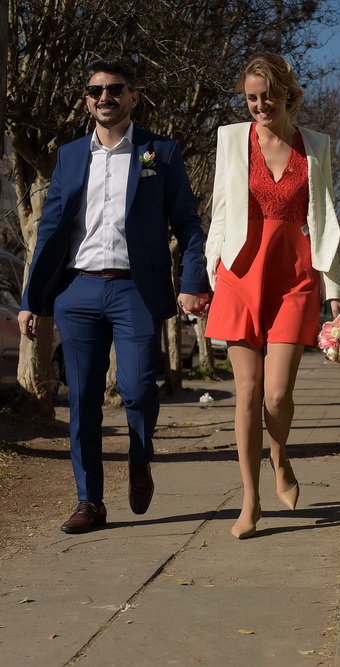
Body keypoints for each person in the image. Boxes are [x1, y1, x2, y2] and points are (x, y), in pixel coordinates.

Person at [18, 58, 210, 534]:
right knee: (81, 398)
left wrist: (192, 281)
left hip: (135, 290)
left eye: (114, 89)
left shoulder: (158, 153)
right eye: (94, 91)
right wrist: (32, 299)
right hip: (78, 290)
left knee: (139, 389)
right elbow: (49, 232)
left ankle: (139, 459)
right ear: (87, 100)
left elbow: (187, 223)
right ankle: (90, 501)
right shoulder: (69, 156)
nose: (104, 97)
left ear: (132, 97)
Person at [204, 53, 340, 539]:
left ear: (289, 94)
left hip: (293, 274)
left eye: (268, 96)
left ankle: (280, 453)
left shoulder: (316, 146)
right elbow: (221, 210)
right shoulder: (231, 139)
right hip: (241, 272)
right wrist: (212, 273)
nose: (260, 105)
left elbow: (325, 219)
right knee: (246, 393)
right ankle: (250, 499)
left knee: (277, 393)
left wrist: (336, 291)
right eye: (251, 97)